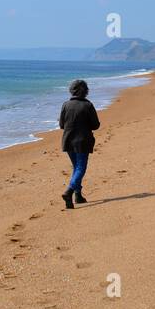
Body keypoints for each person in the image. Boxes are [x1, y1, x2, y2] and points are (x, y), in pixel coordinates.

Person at [58, 79, 100, 210]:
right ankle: (69, 191)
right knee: (80, 168)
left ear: (72, 91)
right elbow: (96, 125)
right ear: (86, 91)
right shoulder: (88, 105)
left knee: (76, 168)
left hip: (68, 140)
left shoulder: (66, 105)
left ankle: (78, 195)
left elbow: (61, 125)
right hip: (82, 141)